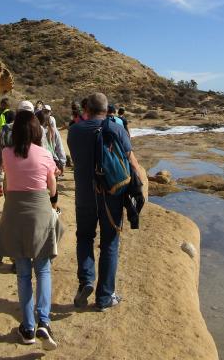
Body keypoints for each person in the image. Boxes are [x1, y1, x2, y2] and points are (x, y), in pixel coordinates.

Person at [66, 93, 148, 310]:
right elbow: (130, 160)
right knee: (109, 244)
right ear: (106, 109)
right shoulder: (118, 129)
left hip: (84, 195)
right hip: (112, 195)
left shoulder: (74, 131)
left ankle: (86, 281)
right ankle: (104, 297)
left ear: (87, 110)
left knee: (84, 237)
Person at [0, 110, 62, 350]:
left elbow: (8, 184)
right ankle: (44, 321)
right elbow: (52, 190)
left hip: (15, 213)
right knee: (43, 270)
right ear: (36, 130)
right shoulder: (44, 153)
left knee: (22, 273)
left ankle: (28, 326)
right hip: (39, 212)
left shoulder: (8, 153)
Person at [0, 100, 34, 196]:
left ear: (17, 112)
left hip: (10, 176)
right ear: (33, 115)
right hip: (32, 177)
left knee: (11, 205)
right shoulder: (39, 130)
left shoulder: (6, 129)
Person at [37, 106, 66, 177]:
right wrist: (62, 163)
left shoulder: (36, 131)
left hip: (40, 163)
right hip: (52, 161)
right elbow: (59, 147)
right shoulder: (53, 131)